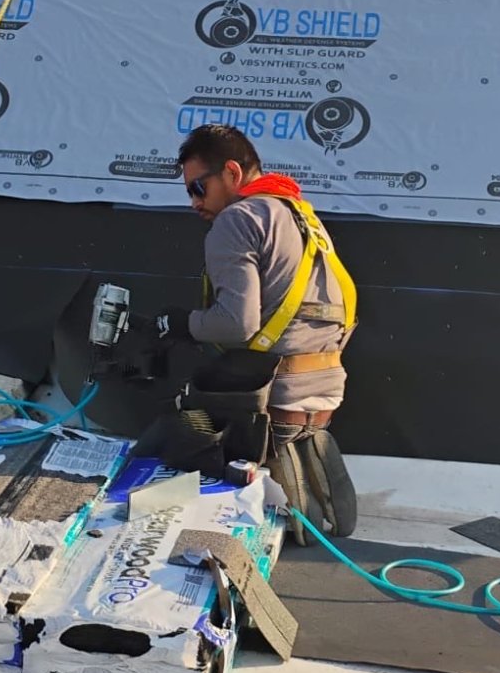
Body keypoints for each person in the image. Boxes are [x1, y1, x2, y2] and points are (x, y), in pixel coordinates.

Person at [152, 123, 358, 536]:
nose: (193, 201)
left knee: (168, 448)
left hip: (276, 398)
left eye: (198, 188)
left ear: (231, 172)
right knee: (310, 522)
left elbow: (235, 324)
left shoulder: (237, 220)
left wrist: (181, 324)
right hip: (327, 385)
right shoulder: (298, 213)